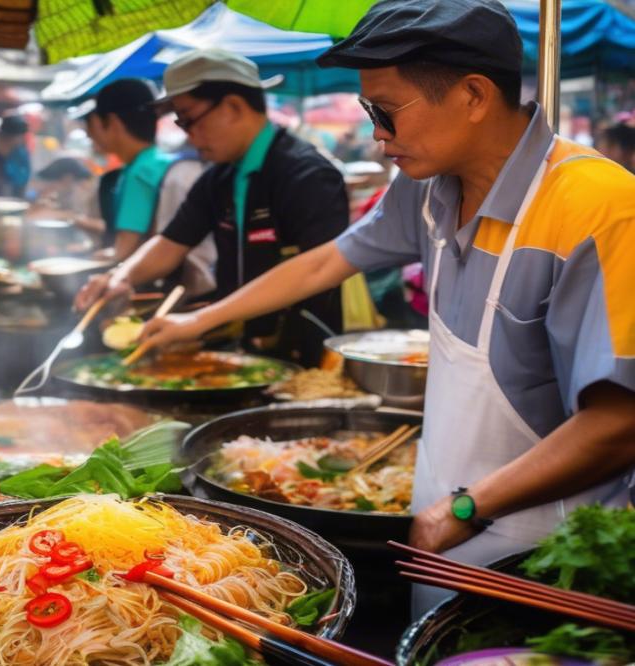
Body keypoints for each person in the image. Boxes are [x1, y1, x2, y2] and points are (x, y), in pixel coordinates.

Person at [141, 0, 635, 612]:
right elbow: (327, 261)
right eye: (368, 112)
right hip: (440, 527)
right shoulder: (425, 190)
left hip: (551, 559)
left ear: (474, 95)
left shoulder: (600, 207)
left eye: (385, 112)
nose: (376, 135)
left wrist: (467, 504)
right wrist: (196, 320)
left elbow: (618, 424)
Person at [76, 51, 349, 365]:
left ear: (232, 106)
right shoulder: (218, 178)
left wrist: (199, 320)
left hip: (304, 354)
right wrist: (119, 278)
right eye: (179, 123)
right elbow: (171, 243)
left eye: (189, 119)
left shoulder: (307, 175)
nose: (188, 137)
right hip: (243, 350)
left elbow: (317, 271)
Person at [72, 78, 216, 298]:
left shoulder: (140, 172)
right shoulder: (163, 162)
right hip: (202, 285)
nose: (90, 135)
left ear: (112, 122)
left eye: (92, 125)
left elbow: (125, 250)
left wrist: (83, 265)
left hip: (174, 292)